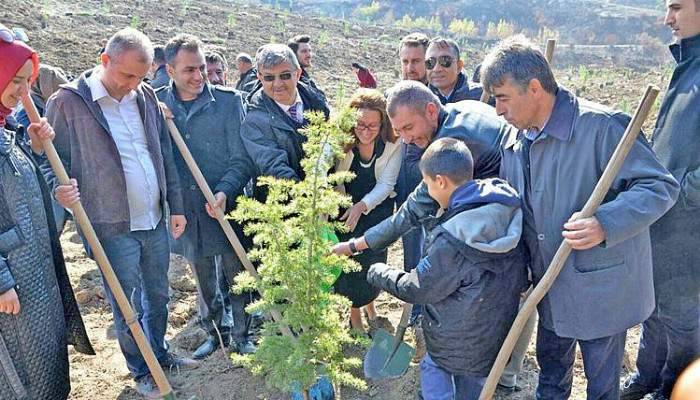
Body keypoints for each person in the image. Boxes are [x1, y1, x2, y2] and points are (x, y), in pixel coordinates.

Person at [480, 35, 679, 399]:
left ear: (535, 88)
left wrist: (606, 222)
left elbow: (659, 187)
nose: (497, 109)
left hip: (599, 288)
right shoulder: (515, 138)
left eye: (502, 97)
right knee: (551, 377)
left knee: (601, 388)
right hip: (548, 283)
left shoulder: (602, 128)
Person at [45, 27, 197, 399]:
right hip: (108, 224)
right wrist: (57, 188)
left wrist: (175, 206)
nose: (132, 84)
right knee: (126, 303)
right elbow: (47, 160)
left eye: (140, 77)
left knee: (159, 294)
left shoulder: (144, 96)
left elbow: (163, 154)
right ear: (105, 61)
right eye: (126, 75)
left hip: (153, 216)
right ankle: (141, 369)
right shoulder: (67, 102)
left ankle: (158, 352)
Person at [367, 138, 526, 400]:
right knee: (473, 385)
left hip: (453, 341)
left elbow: (417, 287)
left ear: (441, 181)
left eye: (427, 184)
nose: (428, 192)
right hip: (492, 335)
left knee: (432, 368)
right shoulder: (504, 207)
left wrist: (379, 272)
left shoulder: (453, 238)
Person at [0, 25, 94, 399]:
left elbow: (17, 192)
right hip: (13, 281)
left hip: (37, 267)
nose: (23, 91)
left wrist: (38, 153)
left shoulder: (7, 128)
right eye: (15, 80)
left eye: (27, 81)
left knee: (47, 353)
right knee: (21, 368)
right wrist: (1, 281)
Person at [158, 34, 256, 359]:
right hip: (186, 209)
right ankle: (216, 333)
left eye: (201, 68)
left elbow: (242, 158)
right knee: (203, 277)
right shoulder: (158, 106)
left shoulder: (228, 102)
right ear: (170, 70)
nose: (199, 76)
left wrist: (226, 190)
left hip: (225, 204)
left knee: (237, 274)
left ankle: (242, 335)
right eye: (189, 70)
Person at [621, 1, 700, 399]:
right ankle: (646, 378)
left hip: (689, 226)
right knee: (654, 305)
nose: (667, 18)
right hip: (666, 217)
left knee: (684, 317)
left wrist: (682, 195)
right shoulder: (688, 66)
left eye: (676, 7)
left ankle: (674, 388)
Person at [334, 89, 401, 334]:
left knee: (373, 260)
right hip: (344, 209)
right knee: (351, 262)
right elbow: (325, 170)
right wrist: (344, 205)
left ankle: (370, 307)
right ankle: (355, 319)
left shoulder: (394, 144)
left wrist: (362, 206)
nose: (365, 130)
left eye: (372, 126)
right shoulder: (340, 139)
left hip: (376, 209)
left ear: (383, 123)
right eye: (360, 124)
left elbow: (386, 184)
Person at [241, 43, 330, 183]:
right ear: (259, 77)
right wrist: (305, 195)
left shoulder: (317, 101)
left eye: (285, 76)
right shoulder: (254, 121)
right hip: (282, 200)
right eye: (269, 78)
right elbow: (273, 166)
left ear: (298, 74)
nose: (277, 84)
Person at [426, 37, 486, 105]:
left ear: (459, 66)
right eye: (430, 62)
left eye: (445, 61)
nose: (436, 69)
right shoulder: (421, 100)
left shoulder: (482, 95)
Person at [288, 34, 326, 100]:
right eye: (304, 51)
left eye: (309, 50)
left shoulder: (303, 76)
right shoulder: (291, 79)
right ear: (293, 54)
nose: (309, 55)